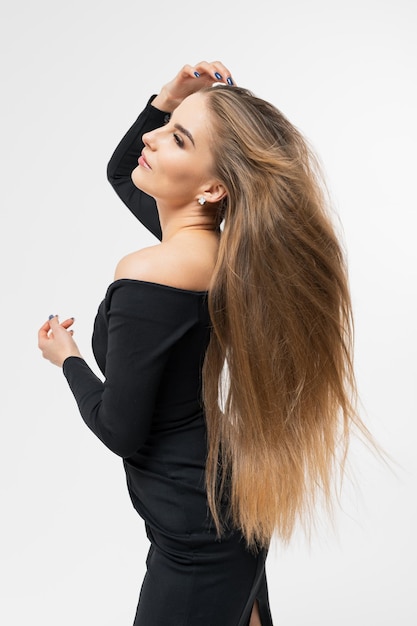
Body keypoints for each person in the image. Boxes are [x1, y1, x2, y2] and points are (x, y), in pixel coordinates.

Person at [38, 60, 367, 625]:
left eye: (177, 138)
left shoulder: (151, 272)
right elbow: (123, 172)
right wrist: (169, 98)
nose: (151, 136)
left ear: (213, 187)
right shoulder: (224, 255)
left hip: (196, 534)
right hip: (224, 502)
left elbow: (121, 430)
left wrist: (66, 359)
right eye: (165, 126)